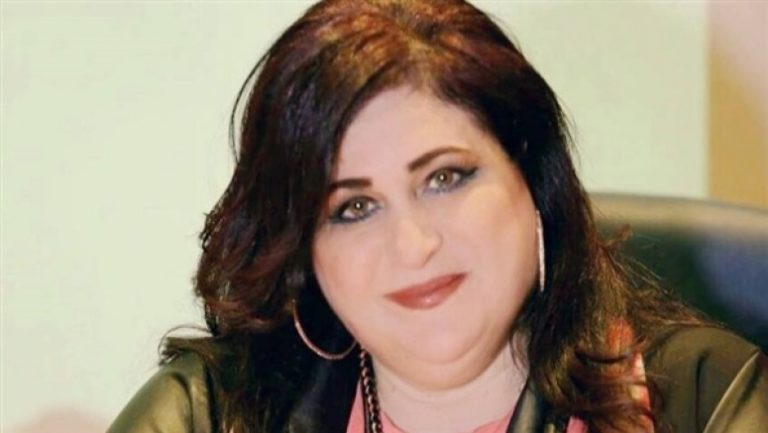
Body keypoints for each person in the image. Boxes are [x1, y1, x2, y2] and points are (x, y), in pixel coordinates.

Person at [108, 1, 767, 432]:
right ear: (305, 251)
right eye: (354, 208)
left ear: (534, 181)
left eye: (444, 178)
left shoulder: (704, 398)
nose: (412, 243)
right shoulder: (208, 414)